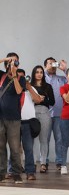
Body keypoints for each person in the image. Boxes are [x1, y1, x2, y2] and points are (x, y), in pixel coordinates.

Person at [0, 53, 27, 183]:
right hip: (0, 117)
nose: (13, 64)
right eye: (11, 62)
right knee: (0, 146)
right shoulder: (1, 76)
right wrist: (5, 59)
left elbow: (18, 91)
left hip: (14, 119)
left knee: (15, 147)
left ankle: (16, 173)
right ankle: (1, 172)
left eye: (16, 61)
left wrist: (15, 74)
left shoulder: (21, 79)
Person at [28, 65, 55, 177]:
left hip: (44, 112)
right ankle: (33, 162)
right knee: (32, 139)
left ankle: (43, 163)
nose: (39, 74)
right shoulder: (29, 86)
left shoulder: (47, 86)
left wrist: (44, 99)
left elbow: (52, 102)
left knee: (44, 139)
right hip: (32, 112)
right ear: (34, 74)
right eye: (37, 72)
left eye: (40, 72)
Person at [42, 57, 68, 175]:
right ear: (45, 66)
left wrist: (65, 69)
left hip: (59, 113)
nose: (52, 65)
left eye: (54, 63)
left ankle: (59, 162)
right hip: (45, 113)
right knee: (44, 139)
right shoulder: (41, 78)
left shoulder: (62, 79)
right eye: (49, 63)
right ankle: (44, 162)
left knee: (59, 139)